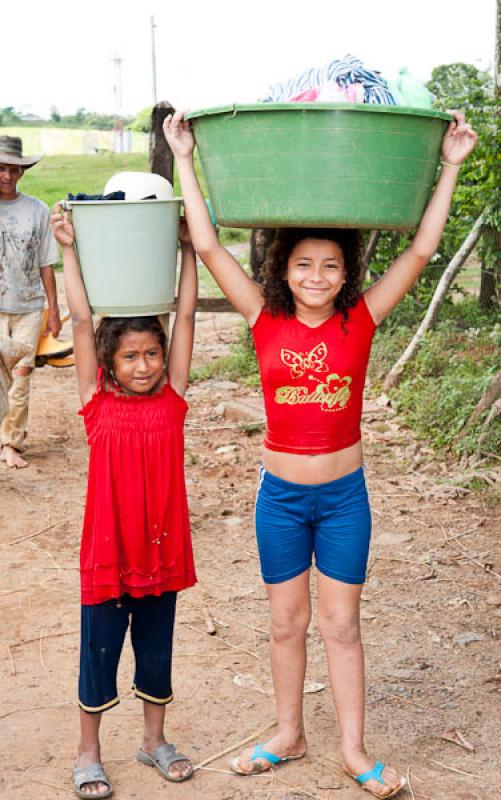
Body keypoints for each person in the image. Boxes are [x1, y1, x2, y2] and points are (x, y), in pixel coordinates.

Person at [164, 109, 477, 799]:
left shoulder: (358, 319)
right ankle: (287, 733)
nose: (315, 275)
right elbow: (212, 248)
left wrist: (449, 162)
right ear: (283, 269)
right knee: (285, 624)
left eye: (329, 265)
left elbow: (420, 251)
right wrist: (184, 156)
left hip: (342, 501)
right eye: (303, 264)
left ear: (345, 273)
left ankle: (354, 750)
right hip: (279, 499)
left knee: (340, 625)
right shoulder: (263, 317)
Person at [51, 207, 198, 798]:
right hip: (109, 552)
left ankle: (152, 741)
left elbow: (184, 314)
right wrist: (68, 250)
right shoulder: (95, 405)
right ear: (110, 365)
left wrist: (188, 251)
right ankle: (88, 751)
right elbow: (83, 321)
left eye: (152, 354)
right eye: (131, 357)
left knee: (156, 648)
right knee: (99, 652)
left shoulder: (175, 400)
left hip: (161, 549)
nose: (144, 365)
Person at [0, 135, 61, 468]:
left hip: (28, 306)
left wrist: (53, 308)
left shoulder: (36, 210)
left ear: (22, 172)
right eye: (1, 169)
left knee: (21, 377)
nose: (7, 176)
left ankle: (12, 443)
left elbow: (46, 264)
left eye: (13, 169)